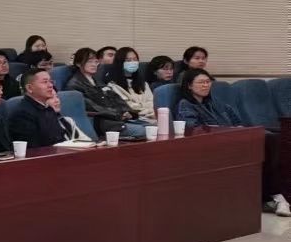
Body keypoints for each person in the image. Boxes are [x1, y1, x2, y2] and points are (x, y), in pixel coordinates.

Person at [176, 69, 287, 215]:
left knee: (272, 140)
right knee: (267, 144)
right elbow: (193, 130)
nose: (205, 85)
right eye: (201, 82)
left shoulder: (217, 103)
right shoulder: (186, 105)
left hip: (234, 138)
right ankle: (274, 197)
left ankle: (274, 197)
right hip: (214, 145)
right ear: (189, 85)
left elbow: (236, 121)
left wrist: (238, 130)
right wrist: (227, 132)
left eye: (208, 82)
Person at [64, 47, 132, 139]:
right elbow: (93, 107)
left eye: (96, 62)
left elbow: (115, 97)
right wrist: (118, 114)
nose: (94, 64)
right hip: (103, 123)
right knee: (142, 130)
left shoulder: (97, 81)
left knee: (147, 126)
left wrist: (126, 110)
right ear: (78, 63)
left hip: (117, 119)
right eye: (89, 61)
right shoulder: (74, 85)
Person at [10, 69, 87, 148]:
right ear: (29, 88)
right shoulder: (22, 114)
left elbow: (59, 138)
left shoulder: (48, 109)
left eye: (51, 81)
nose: (50, 85)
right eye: (45, 82)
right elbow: (32, 149)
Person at [107, 47, 156, 123]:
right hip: (133, 121)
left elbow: (152, 103)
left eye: (135, 59)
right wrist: (145, 108)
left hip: (151, 118)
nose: (133, 62)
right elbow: (128, 107)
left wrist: (142, 108)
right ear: (120, 63)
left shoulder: (143, 83)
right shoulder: (113, 86)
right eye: (128, 60)